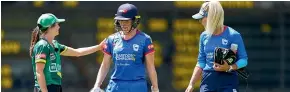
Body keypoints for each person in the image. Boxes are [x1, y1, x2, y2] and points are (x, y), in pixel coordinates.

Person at [90, 3, 159, 92]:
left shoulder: (145, 39)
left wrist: (155, 87)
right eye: (121, 21)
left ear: (134, 21)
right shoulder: (112, 39)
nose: (123, 24)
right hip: (115, 86)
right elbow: (105, 65)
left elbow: (150, 66)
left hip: (137, 86)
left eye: (127, 21)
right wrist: (97, 85)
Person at [30, 13, 105, 92]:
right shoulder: (42, 45)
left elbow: (77, 52)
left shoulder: (55, 45)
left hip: (56, 87)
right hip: (45, 88)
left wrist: (98, 47)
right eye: (57, 25)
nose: (59, 27)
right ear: (49, 27)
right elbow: (39, 71)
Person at [185, 1, 248, 92]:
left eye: (202, 18)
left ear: (212, 18)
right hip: (208, 80)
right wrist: (191, 84)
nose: (200, 21)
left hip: (228, 80)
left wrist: (229, 67)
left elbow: (244, 60)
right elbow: (201, 62)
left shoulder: (233, 35)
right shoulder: (204, 36)